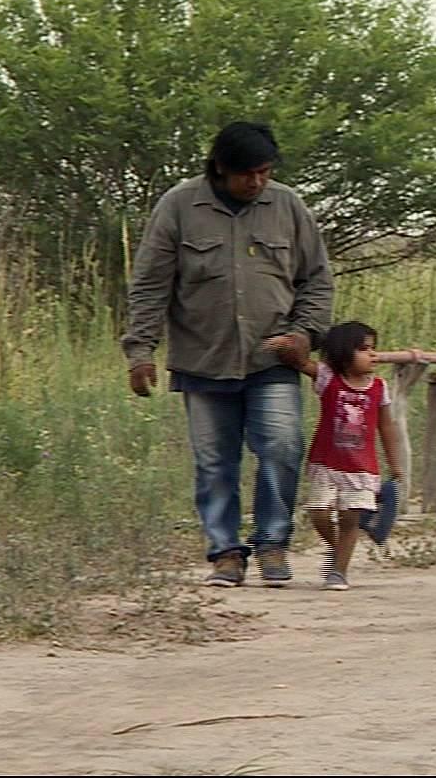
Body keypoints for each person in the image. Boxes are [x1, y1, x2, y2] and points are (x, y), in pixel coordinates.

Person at [122, 122, 334, 588]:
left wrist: (304, 334)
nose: (256, 182)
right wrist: (140, 350)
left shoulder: (288, 206)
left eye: (264, 172)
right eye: (246, 174)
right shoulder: (178, 206)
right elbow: (150, 285)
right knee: (215, 462)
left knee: (282, 448)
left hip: (273, 359)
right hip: (203, 359)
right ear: (220, 167)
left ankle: (273, 544)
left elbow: (317, 280)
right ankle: (225, 553)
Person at [293, 322, 408, 591]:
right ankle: (336, 548)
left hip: (361, 468)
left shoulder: (378, 387)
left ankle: (339, 572)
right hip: (326, 463)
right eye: (364, 349)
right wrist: (290, 343)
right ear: (344, 353)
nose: (373, 355)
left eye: (373, 348)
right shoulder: (328, 379)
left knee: (350, 518)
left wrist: (395, 464)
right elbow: (300, 362)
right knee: (319, 512)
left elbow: (386, 427)